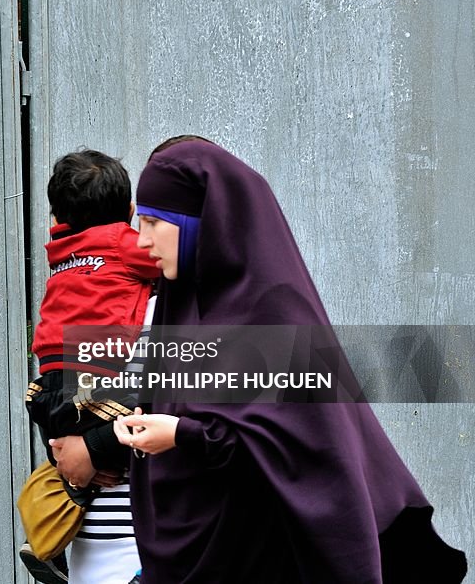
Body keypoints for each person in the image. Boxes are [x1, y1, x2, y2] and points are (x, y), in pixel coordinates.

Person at [113, 136, 467, 583]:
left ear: (200, 220)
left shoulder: (273, 309)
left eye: (153, 223)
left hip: (267, 558)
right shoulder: (177, 306)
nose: (140, 241)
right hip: (188, 556)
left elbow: (307, 450)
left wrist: (184, 435)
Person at [23, 151, 159, 584]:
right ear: (132, 213)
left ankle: (50, 537)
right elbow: (166, 263)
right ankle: (56, 534)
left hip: (50, 376)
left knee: (66, 450)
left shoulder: (60, 251)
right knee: (110, 430)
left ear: (58, 216)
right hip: (93, 374)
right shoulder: (123, 243)